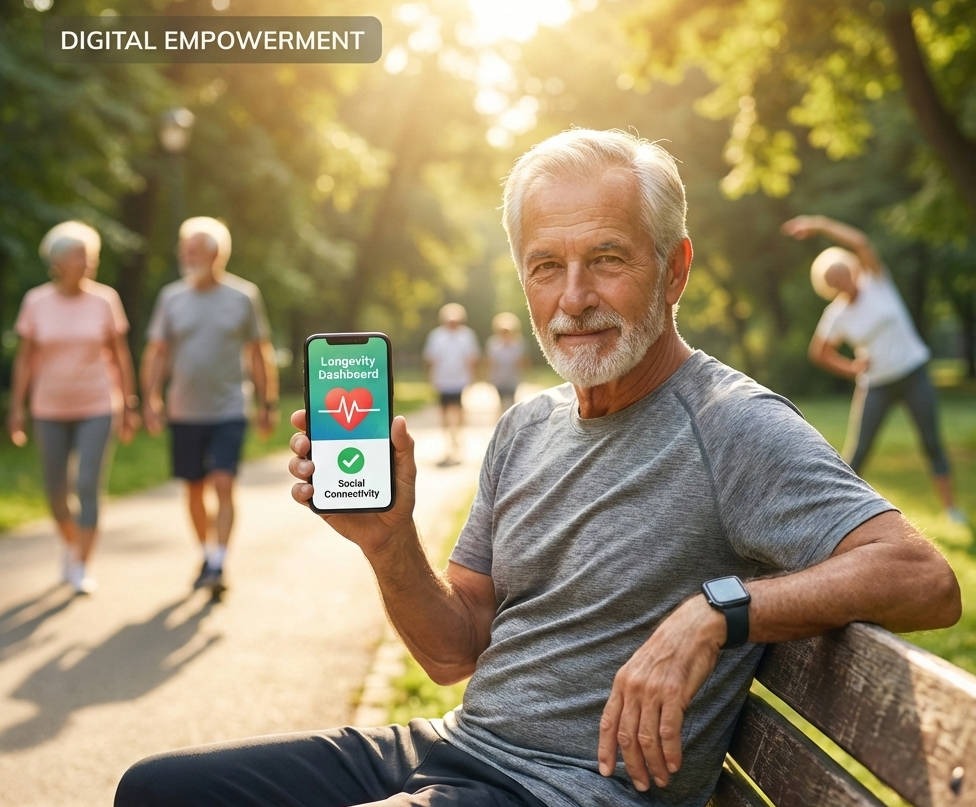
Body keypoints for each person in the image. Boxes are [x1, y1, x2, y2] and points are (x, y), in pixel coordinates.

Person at [115, 130, 961, 807]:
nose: (573, 298)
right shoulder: (527, 425)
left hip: (560, 789)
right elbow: (454, 651)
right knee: (153, 789)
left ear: (675, 269)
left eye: (607, 258)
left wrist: (716, 610)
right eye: (546, 266)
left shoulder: (732, 424)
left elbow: (923, 577)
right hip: (454, 749)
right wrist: (386, 540)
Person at [781, 214, 967, 524]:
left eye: (843, 274)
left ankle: (951, 510)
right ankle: (838, 517)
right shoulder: (836, 314)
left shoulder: (877, 282)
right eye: (834, 281)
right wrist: (852, 368)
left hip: (913, 373)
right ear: (828, 287)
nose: (843, 282)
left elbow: (861, 242)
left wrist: (819, 225)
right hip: (876, 384)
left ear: (852, 269)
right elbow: (819, 353)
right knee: (858, 453)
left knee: (932, 443)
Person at [140, 216, 278, 595]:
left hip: (229, 408)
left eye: (194, 251)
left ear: (217, 254)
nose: (187, 258)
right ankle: (207, 551)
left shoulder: (243, 296)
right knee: (194, 490)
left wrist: (268, 402)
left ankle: (218, 563)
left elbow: (258, 352)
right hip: (184, 410)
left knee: (223, 481)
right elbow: (157, 352)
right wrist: (150, 398)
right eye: (184, 251)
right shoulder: (171, 298)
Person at [6, 220, 140, 595]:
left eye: (91, 257)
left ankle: (81, 564)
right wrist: (16, 409)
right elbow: (25, 360)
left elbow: (120, 358)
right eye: (81, 257)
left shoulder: (105, 299)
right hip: (48, 408)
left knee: (87, 485)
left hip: (98, 404)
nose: (88, 263)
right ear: (58, 261)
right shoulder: (36, 302)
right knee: (54, 491)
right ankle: (71, 543)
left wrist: (129, 405)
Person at [422, 302, 481, 466]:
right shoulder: (436, 336)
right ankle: (449, 439)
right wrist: (429, 378)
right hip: (442, 381)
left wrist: (472, 378)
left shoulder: (467, 335)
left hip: (460, 381)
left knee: (458, 410)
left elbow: (472, 359)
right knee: (444, 412)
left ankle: (457, 438)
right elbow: (431, 359)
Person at [485, 311, 528, 414]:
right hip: (498, 378)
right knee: (501, 400)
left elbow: (522, 361)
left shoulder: (518, 343)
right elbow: (491, 362)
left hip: (513, 377)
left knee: (512, 400)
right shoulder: (493, 344)